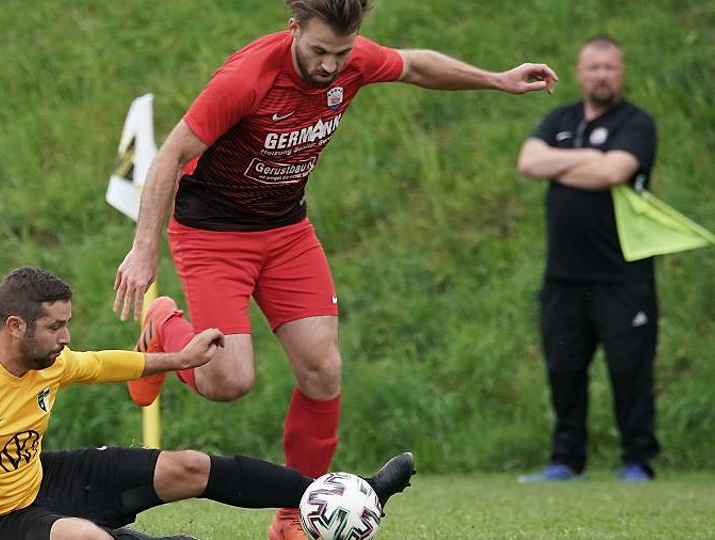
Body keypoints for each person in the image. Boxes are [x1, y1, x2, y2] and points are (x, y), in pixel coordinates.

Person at [111, 1, 556, 538]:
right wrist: (143, 248)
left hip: (286, 231)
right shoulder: (248, 78)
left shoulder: (354, 61)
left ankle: (295, 513)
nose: (329, 65)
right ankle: (164, 325)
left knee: (323, 370)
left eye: (341, 53)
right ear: (293, 28)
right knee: (229, 381)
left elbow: (414, 65)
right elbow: (169, 155)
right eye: (319, 51)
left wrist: (498, 80)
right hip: (213, 234)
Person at [0, 266, 416, 540]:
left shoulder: (46, 360)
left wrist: (181, 359)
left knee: (190, 466)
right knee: (88, 539)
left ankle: (349, 496)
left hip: (39, 482)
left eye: (67, 324)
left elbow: (103, 363)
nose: (66, 339)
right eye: (55, 327)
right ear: (14, 325)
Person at [516, 36, 660, 483]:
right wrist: (589, 157)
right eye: (593, 66)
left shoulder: (637, 123)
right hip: (564, 277)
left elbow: (615, 172)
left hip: (623, 275)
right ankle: (566, 461)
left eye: (610, 67)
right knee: (564, 370)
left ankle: (637, 461)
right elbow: (528, 161)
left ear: (621, 71)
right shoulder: (559, 118)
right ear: (579, 72)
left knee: (629, 370)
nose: (601, 74)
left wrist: (563, 164)